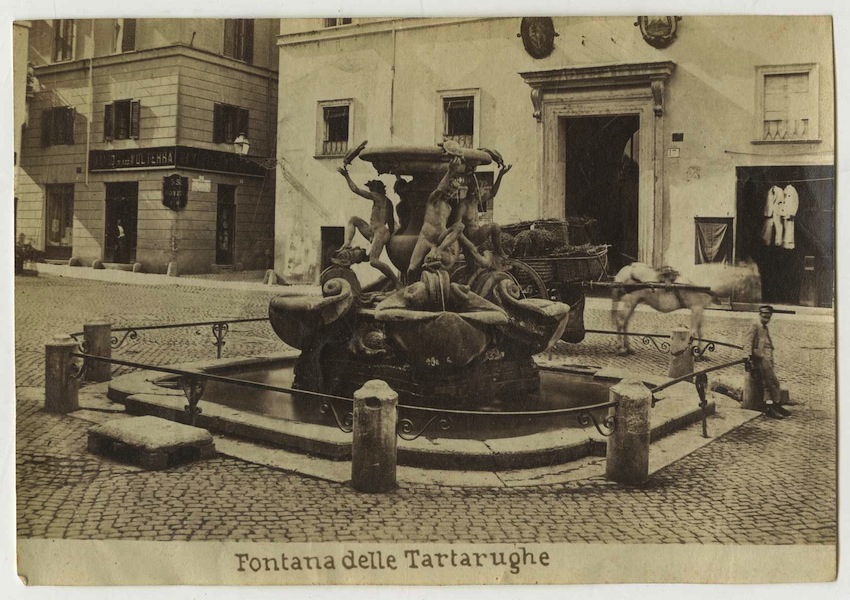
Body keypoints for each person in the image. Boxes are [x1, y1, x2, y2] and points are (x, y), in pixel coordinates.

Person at [336, 166, 400, 288]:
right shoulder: (388, 203)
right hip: (374, 232)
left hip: (380, 232)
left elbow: (355, 189)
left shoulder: (377, 196)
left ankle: (397, 282)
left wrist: (346, 176)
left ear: (376, 189)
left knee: (374, 261)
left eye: (371, 188)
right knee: (353, 220)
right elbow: (391, 224)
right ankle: (348, 244)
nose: (369, 191)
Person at [406, 156, 466, 282]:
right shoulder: (433, 200)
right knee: (412, 268)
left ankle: (439, 250)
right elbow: (439, 189)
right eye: (449, 189)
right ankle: (409, 286)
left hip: (440, 238)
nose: (450, 193)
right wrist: (450, 171)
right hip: (426, 237)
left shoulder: (449, 207)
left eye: (453, 192)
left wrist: (445, 244)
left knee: (459, 226)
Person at [452, 161, 512, 267]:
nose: (484, 193)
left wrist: (500, 175)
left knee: (472, 270)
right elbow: (456, 228)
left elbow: (493, 193)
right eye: (482, 190)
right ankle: (499, 253)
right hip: (470, 240)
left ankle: (499, 253)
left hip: (476, 237)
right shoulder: (463, 205)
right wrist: (468, 245)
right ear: (475, 191)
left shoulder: (476, 201)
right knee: (494, 227)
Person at [743, 305, 790, 419]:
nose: (766, 318)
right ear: (760, 314)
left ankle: (776, 405)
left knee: (772, 383)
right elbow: (748, 341)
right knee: (769, 384)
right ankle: (770, 408)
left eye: (769, 316)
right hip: (760, 358)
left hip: (768, 358)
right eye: (764, 315)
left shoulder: (765, 327)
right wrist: (747, 357)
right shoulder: (755, 325)